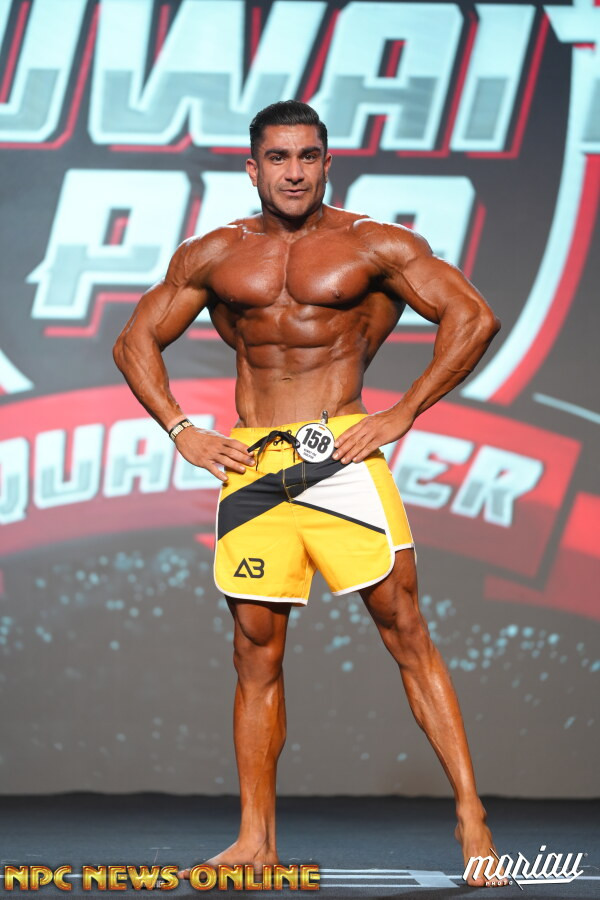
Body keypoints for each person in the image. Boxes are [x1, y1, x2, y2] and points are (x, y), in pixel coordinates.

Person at [113, 100, 508, 888]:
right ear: (252, 167)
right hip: (255, 466)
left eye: (307, 156)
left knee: (406, 630)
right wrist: (181, 430)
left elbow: (473, 316)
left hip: (341, 453)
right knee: (254, 653)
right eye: (278, 157)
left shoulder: (373, 244)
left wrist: (402, 411)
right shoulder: (215, 252)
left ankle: (472, 817)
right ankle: (255, 840)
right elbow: (134, 340)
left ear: (328, 163)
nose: (293, 172)